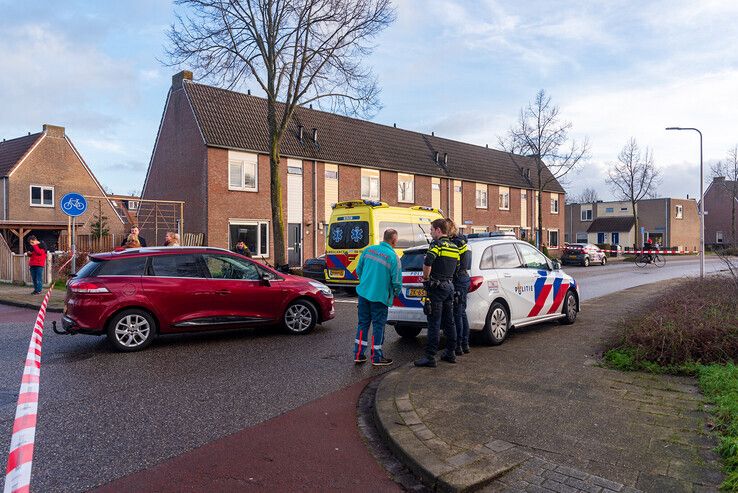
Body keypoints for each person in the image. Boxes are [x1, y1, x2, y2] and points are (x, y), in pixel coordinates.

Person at [352, 229, 402, 367]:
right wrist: (395, 292)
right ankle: (377, 357)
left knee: (363, 324)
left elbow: (358, 270)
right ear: (393, 240)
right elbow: (397, 281)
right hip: (379, 297)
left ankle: (358, 354)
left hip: (363, 294)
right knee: (378, 326)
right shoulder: (393, 257)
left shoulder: (368, 250)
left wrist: (365, 283)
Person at [415, 218, 459, 367]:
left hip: (437, 288)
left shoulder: (436, 245)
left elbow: (428, 261)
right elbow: (457, 267)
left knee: (434, 322)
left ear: (439, 230)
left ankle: (430, 356)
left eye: (432, 230)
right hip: (449, 287)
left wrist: (426, 278)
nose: (430, 232)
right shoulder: (454, 247)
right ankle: (451, 352)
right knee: (449, 322)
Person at [447, 219, 471, 356]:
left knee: (457, 313)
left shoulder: (455, 243)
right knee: (461, 313)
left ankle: (459, 346)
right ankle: (464, 344)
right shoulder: (461, 241)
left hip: (458, 279)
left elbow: (455, 264)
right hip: (463, 278)